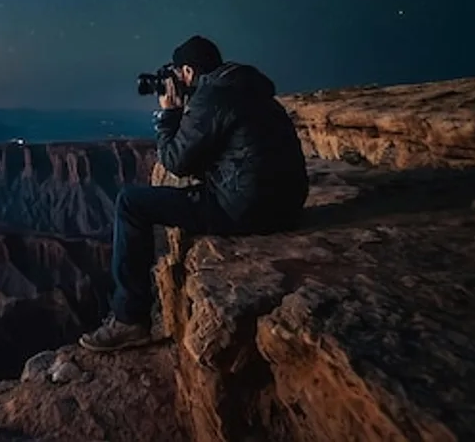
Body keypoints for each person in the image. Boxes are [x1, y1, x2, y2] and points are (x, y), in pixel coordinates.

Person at [79, 35, 309, 352]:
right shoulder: (245, 86)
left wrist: (169, 114)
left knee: (130, 203)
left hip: (244, 209)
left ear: (187, 71)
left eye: (175, 73)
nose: (172, 81)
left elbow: (176, 162)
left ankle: (129, 320)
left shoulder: (212, 97)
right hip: (285, 205)